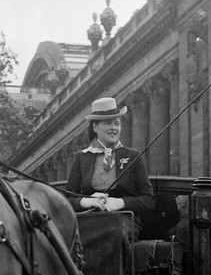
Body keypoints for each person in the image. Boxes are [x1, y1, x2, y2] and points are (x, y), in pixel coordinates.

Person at [66, 97, 155, 236]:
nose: (114, 128)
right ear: (95, 127)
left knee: (110, 232)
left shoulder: (133, 156)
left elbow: (149, 200)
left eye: (117, 123)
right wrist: (86, 202)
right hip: (88, 218)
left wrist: (120, 203)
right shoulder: (81, 158)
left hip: (122, 221)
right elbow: (67, 199)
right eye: (108, 123)